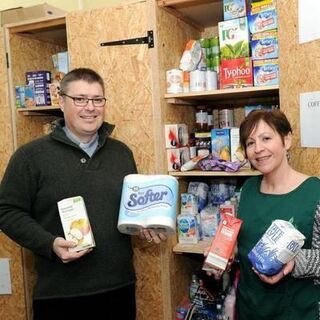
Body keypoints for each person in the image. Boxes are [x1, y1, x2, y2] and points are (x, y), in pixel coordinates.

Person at [0, 67, 166, 320]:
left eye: (97, 99)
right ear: (61, 101)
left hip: (118, 289)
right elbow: (7, 211)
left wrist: (147, 226)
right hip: (60, 295)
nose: (90, 107)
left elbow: (131, 210)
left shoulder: (121, 153)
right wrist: (50, 243)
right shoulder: (30, 156)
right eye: (80, 99)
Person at [234, 109, 320, 319]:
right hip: (250, 308)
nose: (258, 149)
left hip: (297, 311)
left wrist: (292, 261)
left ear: (286, 140)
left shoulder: (315, 193)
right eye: (250, 143)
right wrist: (224, 254)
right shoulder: (247, 189)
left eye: (266, 138)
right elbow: (245, 246)